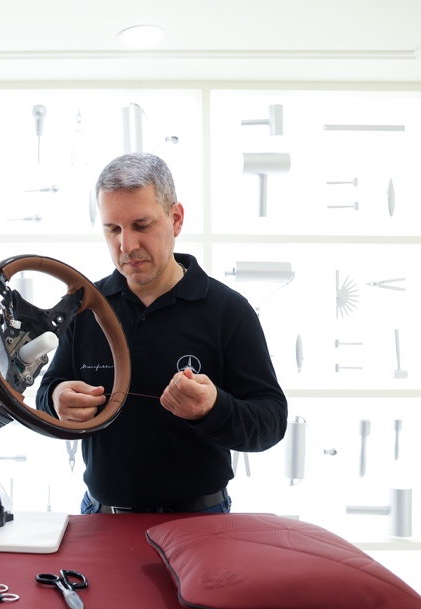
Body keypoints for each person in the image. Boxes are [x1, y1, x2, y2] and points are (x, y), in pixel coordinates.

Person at [35, 152, 287, 513]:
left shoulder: (228, 311)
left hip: (199, 521)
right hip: (102, 515)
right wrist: (57, 399)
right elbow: (48, 392)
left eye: (141, 225)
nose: (127, 245)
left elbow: (272, 422)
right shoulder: (86, 307)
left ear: (176, 219)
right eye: (112, 229)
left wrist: (213, 408)